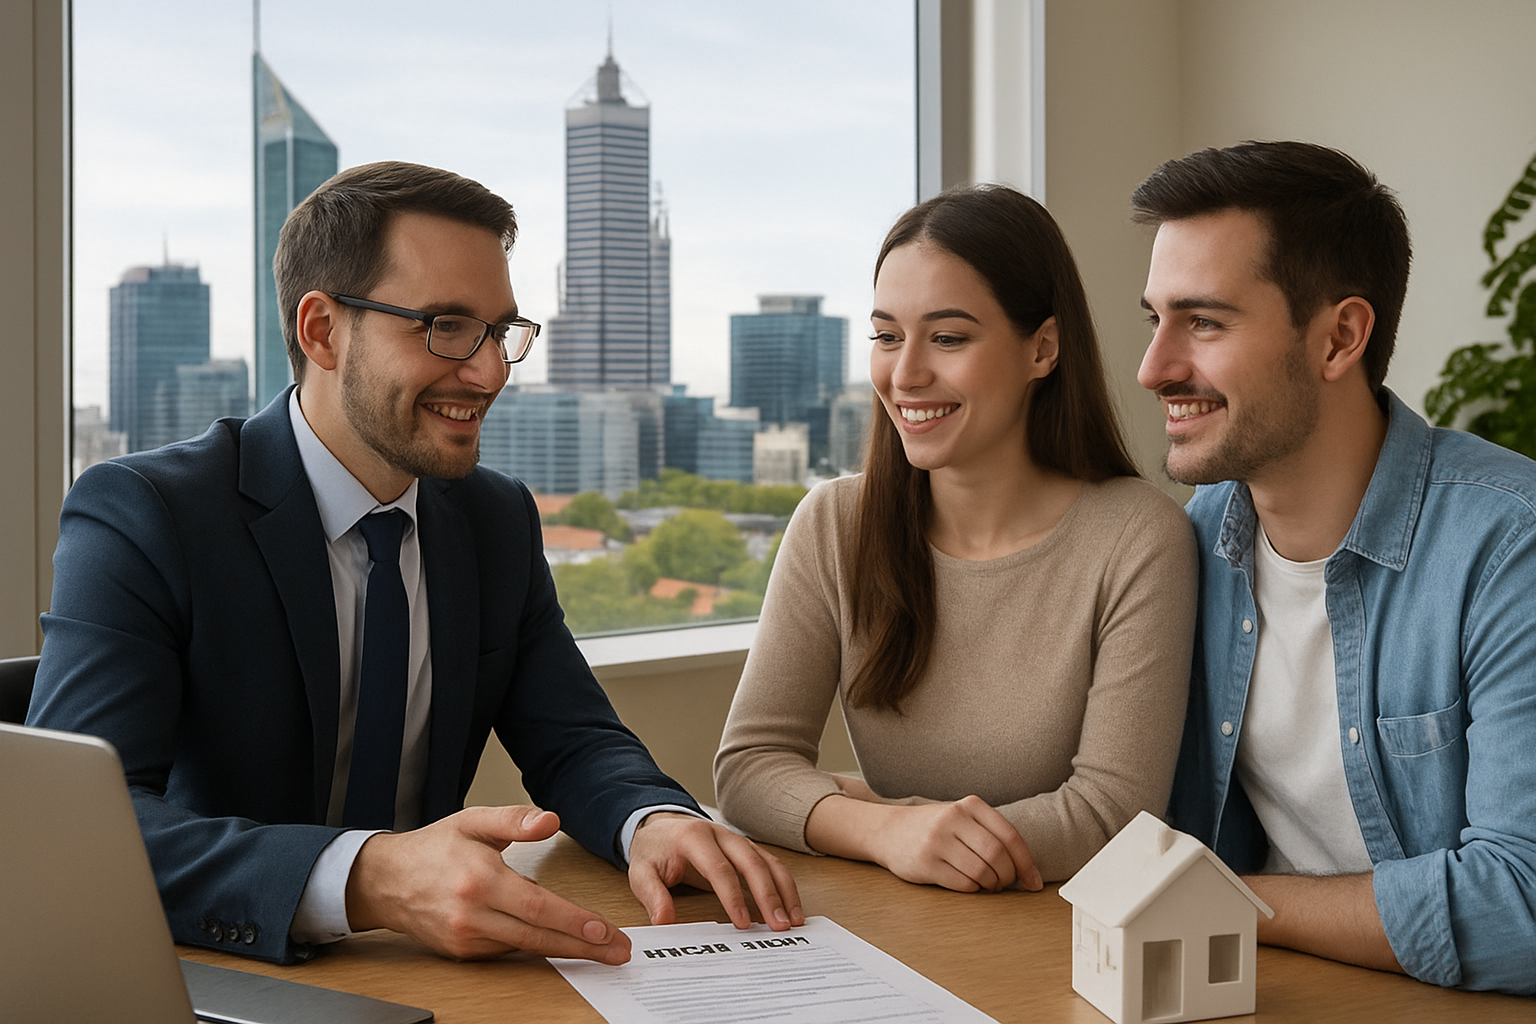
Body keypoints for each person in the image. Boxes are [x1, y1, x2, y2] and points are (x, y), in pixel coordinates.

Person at [28, 161, 801, 967]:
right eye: (445, 326)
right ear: (322, 331)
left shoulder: (494, 518)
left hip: (435, 976)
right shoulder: (146, 514)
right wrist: (369, 877)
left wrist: (653, 820)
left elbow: (574, 740)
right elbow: (75, 826)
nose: (490, 371)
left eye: (500, 332)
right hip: (218, 975)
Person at [1134, 140, 1536, 996]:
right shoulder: (1192, 541)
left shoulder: (1510, 548)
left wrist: (1226, 901)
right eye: (1155, 319)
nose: (1153, 368)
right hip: (1257, 992)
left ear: (1340, 337)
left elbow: (1522, 904)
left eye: (1203, 322)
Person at [714, 184, 1197, 892]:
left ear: (1043, 349)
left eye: (947, 338)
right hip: (899, 920)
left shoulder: (1138, 537)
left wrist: (891, 819)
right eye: (887, 336)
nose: (906, 374)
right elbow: (749, 768)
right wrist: (886, 831)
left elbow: (1111, 817)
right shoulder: (833, 523)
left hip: (1057, 933)